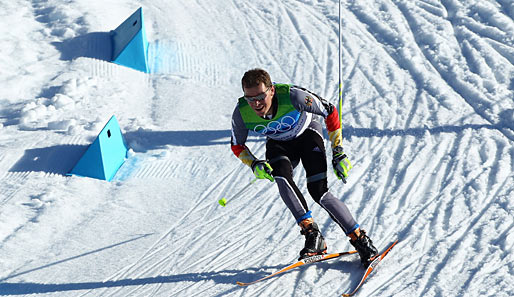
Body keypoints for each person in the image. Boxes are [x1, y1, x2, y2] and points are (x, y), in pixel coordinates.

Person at [230, 68, 378, 266]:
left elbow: (330, 110)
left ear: (272, 91)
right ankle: (312, 235)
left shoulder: (293, 96)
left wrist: (338, 151)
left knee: (318, 191)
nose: (256, 103)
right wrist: (254, 163)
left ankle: (360, 239)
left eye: (260, 96)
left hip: (308, 135)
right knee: (281, 177)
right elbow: (237, 145)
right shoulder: (242, 112)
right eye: (250, 98)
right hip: (279, 144)